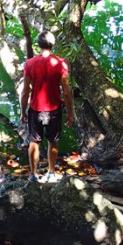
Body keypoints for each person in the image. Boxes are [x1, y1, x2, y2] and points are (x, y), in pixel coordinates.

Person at [20, 31, 74, 182]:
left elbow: (25, 91)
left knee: (34, 142)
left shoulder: (29, 63)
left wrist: (23, 111)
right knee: (53, 141)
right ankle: (51, 172)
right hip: (54, 110)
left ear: (38, 44)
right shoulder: (61, 63)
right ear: (53, 44)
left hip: (35, 109)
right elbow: (67, 92)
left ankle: (33, 174)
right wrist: (70, 113)